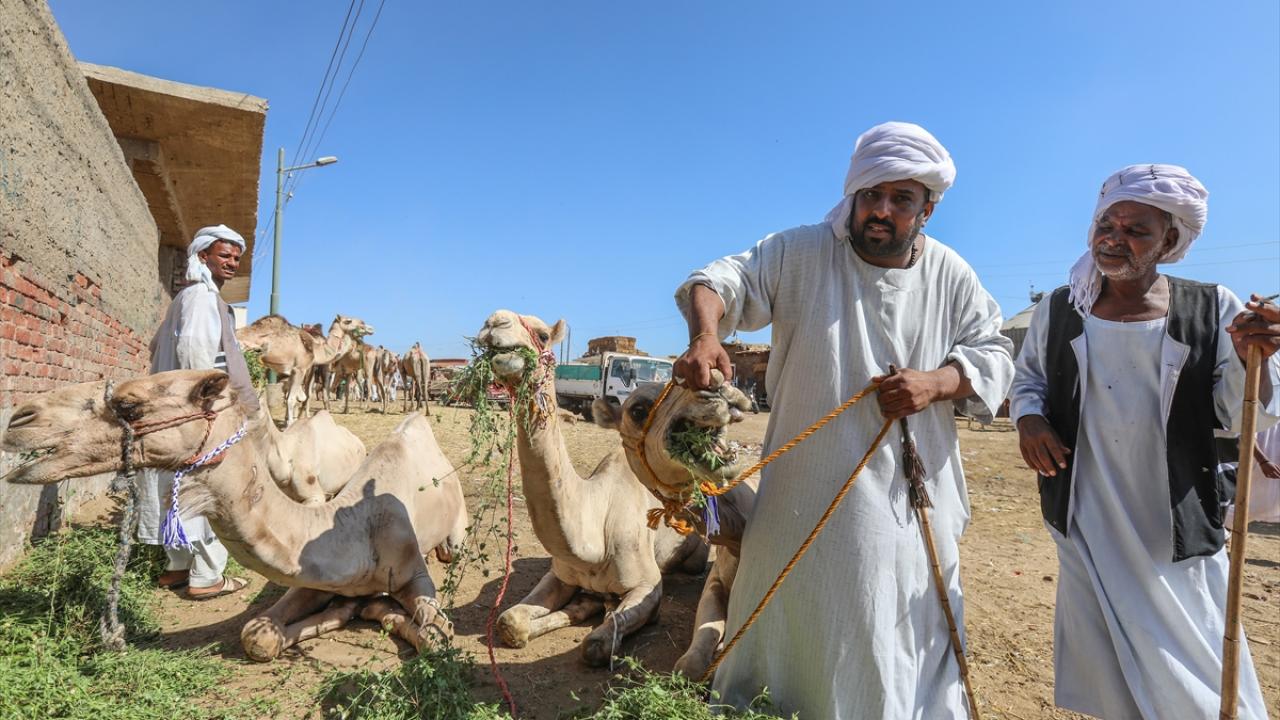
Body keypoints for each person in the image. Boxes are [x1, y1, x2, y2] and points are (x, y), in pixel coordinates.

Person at [674, 121, 1014, 719]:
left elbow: (994, 351)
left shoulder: (951, 275)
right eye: (871, 195)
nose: (881, 210)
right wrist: (706, 335)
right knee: (782, 627)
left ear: (927, 209)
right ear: (854, 196)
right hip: (801, 488)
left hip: (906, 493)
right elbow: (719, 279)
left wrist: (935, 383)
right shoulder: (799, 252)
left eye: (901, 199)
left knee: (886, 623)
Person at [1010, 164, 1280, 719]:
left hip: (1175, 511)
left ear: (1171, 240)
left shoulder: (1211, 306)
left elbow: (1237, 411)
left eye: (1136, 230)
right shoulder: (1063, 307)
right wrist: (1029, 420)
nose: (1114, 238)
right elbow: (1029, 380)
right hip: (1088, 505)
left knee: (1194, 648)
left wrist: (1260, 356)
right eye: (1107, 223)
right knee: (1107, 661)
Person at [137, 225, 259, 600]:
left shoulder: (183, 300)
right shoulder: (204, 298)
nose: (232, 264)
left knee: (176, 485)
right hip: (200, 415)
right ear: (203, 256)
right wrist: (203, 413)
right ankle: (207, 577)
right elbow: (194, 354)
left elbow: (158, 345)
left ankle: (177, 568)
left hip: (176, 413)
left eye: (237, 258)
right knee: (211, 490)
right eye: (225, 256)